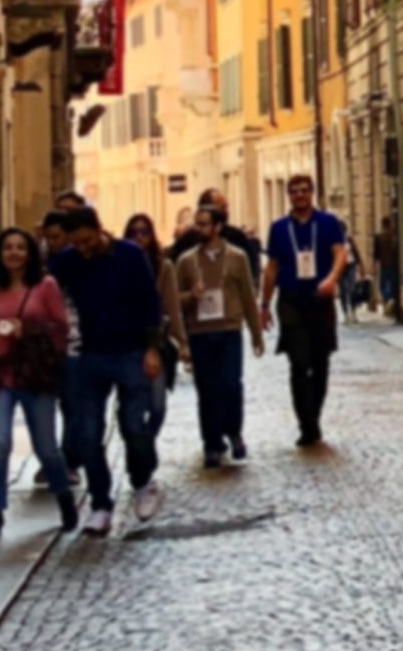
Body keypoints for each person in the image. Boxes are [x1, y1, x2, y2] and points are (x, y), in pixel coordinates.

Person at [50, 207, 170, 534]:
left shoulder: (130, 256)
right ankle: (101, 502)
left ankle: (143, 482)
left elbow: (150, 303)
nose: (84, 249)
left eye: (87, 241)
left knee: (134, 425)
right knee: (88, 434)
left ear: (99, 229)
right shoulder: (70, 260)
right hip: (90, 356)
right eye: (77, 244)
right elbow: (42, 279)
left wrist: (152, 348)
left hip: (131, 352)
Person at [0, 229, 77, 537]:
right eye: (8, 247)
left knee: (46, 448)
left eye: (21, 248)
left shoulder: (44, 285)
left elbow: (61, 328)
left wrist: (30, 328)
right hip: (2, 376)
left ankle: (63, 497)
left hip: (35, 375)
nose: (14, 253)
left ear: (30, 253)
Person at [261, 174, 348, 447]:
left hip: (319, 298)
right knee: (299, 362)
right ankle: (306, 424)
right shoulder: (278, 228)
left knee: (320, 361)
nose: (300, 195)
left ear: (312, 193)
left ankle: (314, 417)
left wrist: (332, 279)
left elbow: (340, 254)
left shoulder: (328, 223)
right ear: (289, 196)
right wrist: (264, 304)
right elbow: (272, 268)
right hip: (290, 299)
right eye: (295, 191)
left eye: (304, 190)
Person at [177, 203, 265, 467]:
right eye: (197, 223)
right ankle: (211, 443)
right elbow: (175, 302)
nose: (198, 228)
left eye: (204, 223)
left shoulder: (237, 257)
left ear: (217, 227)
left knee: (230, 383)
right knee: (206, 389)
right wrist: (190, 296)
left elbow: (249, 298)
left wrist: (256, 335)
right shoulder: (186, 261)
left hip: (229, 330)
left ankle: (234, 432)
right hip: (200, 332)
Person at [123, 214, 191, 441]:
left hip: (157, 342)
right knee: (132, 405)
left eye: (144, 232)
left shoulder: (164, 266)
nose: (139, 237)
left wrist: (182, 343)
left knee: (157, 404)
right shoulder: (120, 264)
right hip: (127, 344)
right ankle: (138, 448)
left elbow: (173, 306)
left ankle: (146, 443)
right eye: (134, 232)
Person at [171, 190, 262, 281]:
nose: (226, 211)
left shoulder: (237, 237)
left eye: (226, 207)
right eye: (222, 207)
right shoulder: (186, 242)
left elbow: (250, 272)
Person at [374, 214, 399, 317]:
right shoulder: (394, 235)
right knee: (393, 282)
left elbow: (376, 253)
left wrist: (374, 264)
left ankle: (387, 300)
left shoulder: (378, 236)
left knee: (383, 284)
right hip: (393, 263)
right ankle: (392, 300)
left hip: (383, 263)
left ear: (382, 224)